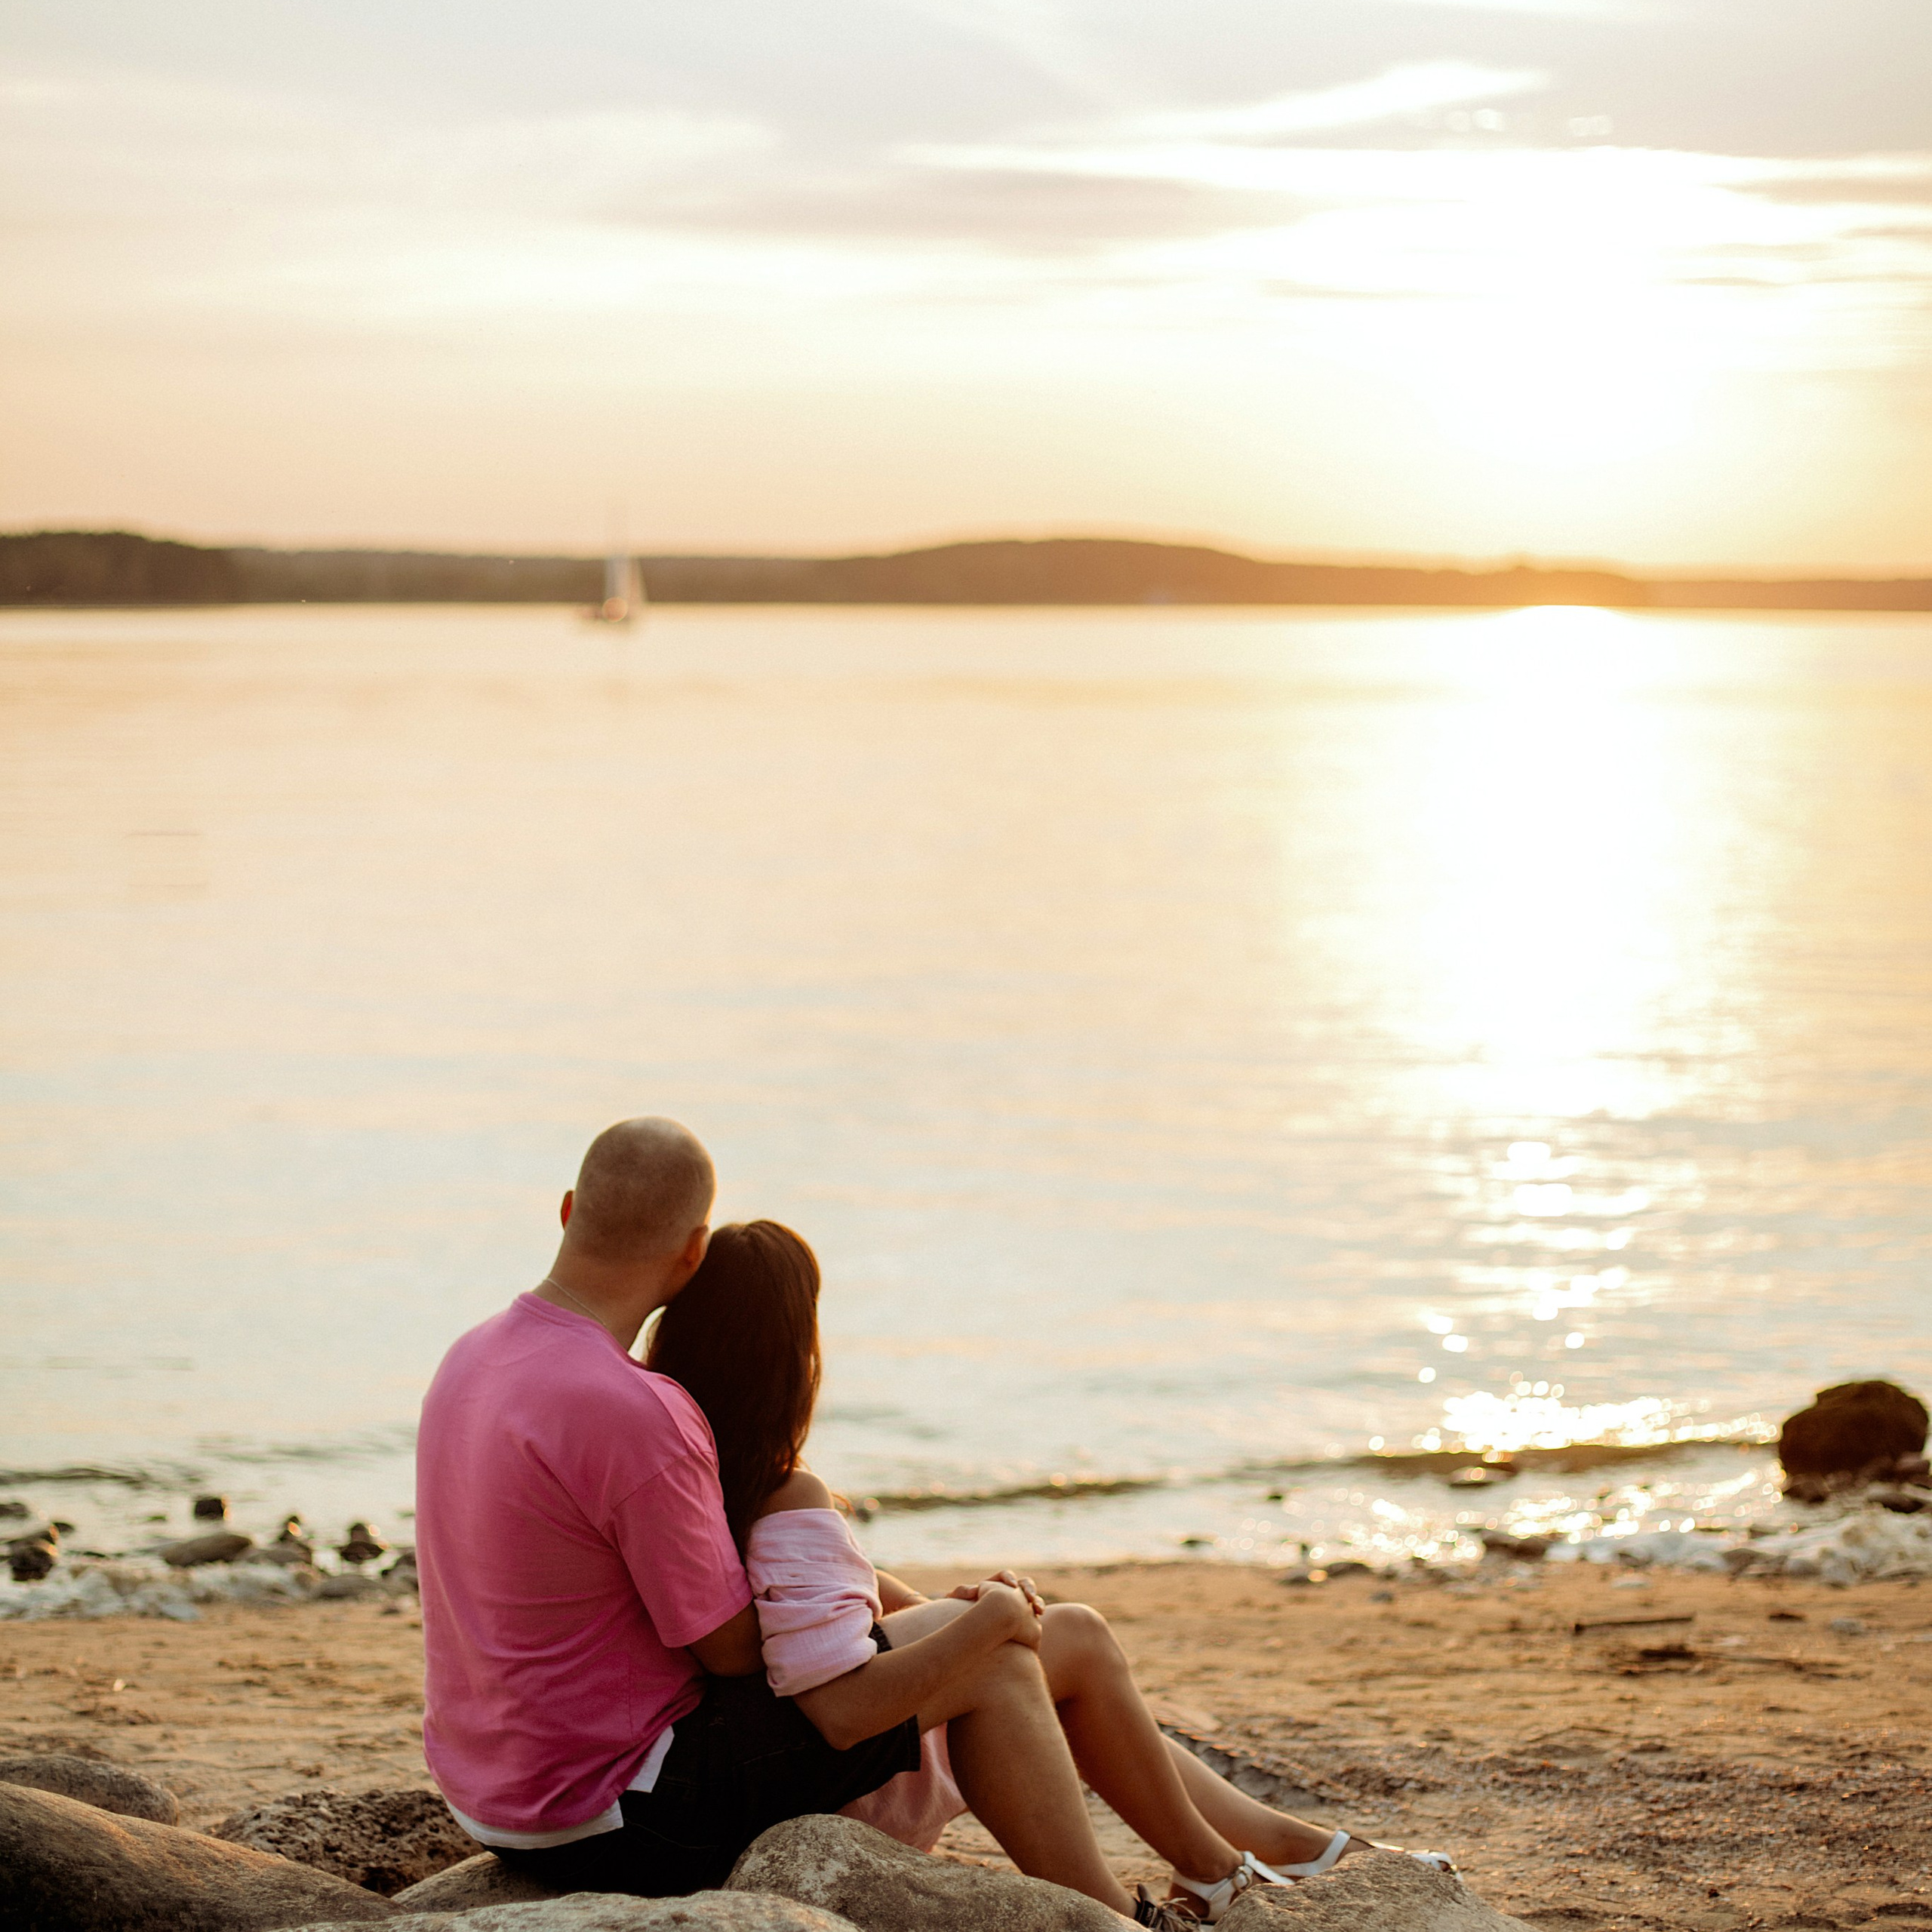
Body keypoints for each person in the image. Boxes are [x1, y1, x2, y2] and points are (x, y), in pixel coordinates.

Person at [414, 1118, 1195, 1924]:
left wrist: (861, 1601)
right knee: (992, 1663)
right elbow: (728, 1650)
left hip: (489, 1793)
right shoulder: (635, 1410)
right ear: (694, 1250)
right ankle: (1113, 1917)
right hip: (616, 1810)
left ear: (568, 1208)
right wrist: (824, 1587)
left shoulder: (470, 1357)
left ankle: (1183, 1878)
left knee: (975, 1636)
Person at [647, 1218, 1454, 1924]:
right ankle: (1204, 1875)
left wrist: (944, 1611)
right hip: (837, 1772)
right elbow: (837, 1693)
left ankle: (1252, 1853)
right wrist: (984, 1622)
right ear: (795, 1359)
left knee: (1072, 1633)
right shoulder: (780, 1491)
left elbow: (821, 1590)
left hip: (774, 1749)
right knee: (1041, 1645)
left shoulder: (688, 1469)